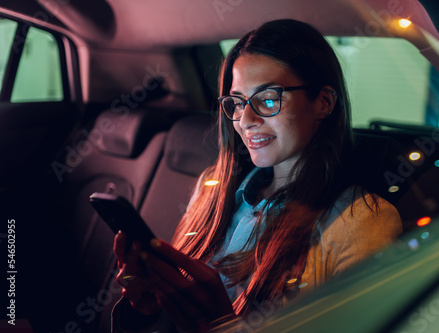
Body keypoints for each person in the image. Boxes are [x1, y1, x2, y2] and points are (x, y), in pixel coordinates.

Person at [112, 18, 402, 332]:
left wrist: (222, 324)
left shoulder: (364, 222)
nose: (245, 120)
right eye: (236, 102)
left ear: (324, 102)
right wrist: (149, 308)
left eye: (267, 100)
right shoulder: (214, 188)